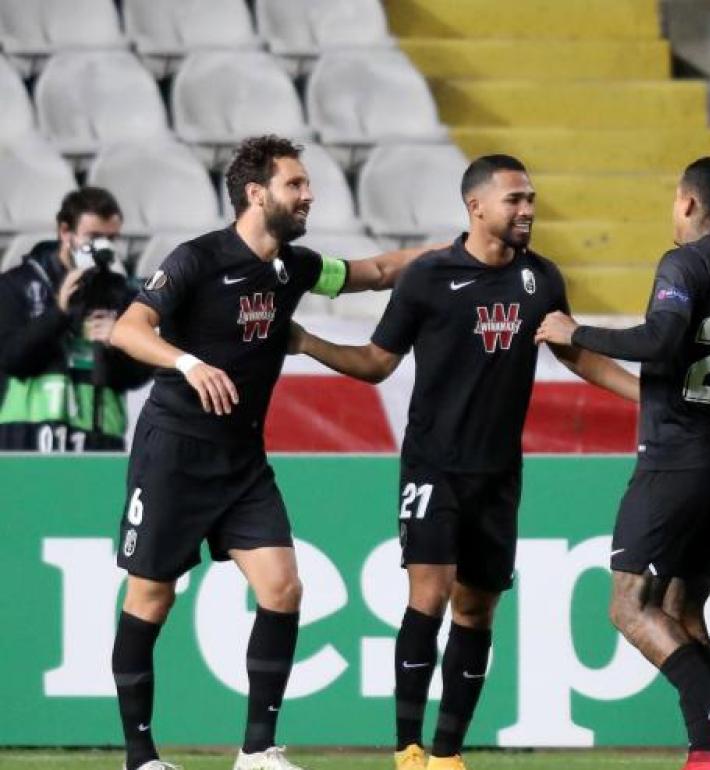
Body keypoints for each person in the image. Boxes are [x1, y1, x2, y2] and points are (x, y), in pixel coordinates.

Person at [287, 154, 639, 770]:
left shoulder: (542, 278)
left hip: (499, 473)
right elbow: (376, 362)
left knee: (477, 610)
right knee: (429, 594)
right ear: (476, 207)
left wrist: (645, 396)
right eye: (515, 200)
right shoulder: (428, 277)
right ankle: (407, 750)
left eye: (530, 199)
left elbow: (573, 353)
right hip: (434, 467)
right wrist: (306, 341)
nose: (527, 210)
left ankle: (448, 755)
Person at [107, 135, 434, 770]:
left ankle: (257, 752)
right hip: (174, 453)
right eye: (296, 184)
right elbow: (127, 328)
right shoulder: (197, 259)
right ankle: (140, 758)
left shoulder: (296, 267)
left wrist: (456, 253)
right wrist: (189, 363)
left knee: (282, 588)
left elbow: (373, 273)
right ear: (257, 194)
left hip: (241, 459)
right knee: (151, 599)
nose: (308, 194)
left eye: (307, 183)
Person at [535, 156, 710, 770]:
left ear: (688, 202)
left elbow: (659, 340)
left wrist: (575, 331)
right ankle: (707, 753)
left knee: (628, 606)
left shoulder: (684, 264)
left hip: (673, 462)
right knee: (683, 610)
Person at [0, 187, 151, 451]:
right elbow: (11, 358)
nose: (104, 247)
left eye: (111, 238)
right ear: (65, 232)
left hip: (99, 438)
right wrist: (59, 314)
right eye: (94, 237)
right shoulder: (17, 285)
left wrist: (118, 342)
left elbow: (139, 375)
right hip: (28, 438)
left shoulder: (122, 293)